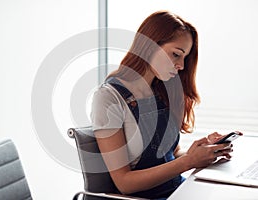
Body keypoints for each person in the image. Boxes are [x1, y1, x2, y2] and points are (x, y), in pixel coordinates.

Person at [90, 10, 233, 199]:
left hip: (176, 192)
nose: (181, 65)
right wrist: (189, 162)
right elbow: (124, 183)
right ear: (149, 46)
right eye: (176, 54)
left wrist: (202, 151)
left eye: (184, 58)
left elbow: (171, 155)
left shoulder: (161, 92)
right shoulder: (109, 98)